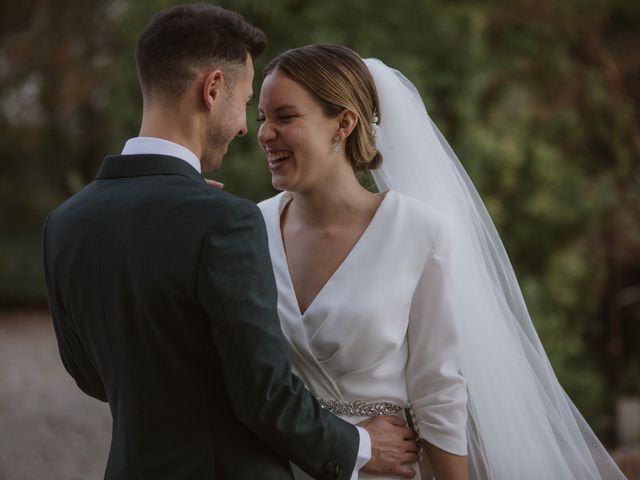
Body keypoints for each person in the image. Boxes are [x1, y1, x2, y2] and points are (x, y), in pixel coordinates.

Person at [42, 7, 419, 480]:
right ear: (212, 88)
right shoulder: (224, 221)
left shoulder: (66, 221)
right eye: (244, 103)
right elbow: (264, 394)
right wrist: (362, 446)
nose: (246, 128)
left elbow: (88, 373)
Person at [256, 44, 628, 479]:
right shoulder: (249, 228)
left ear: (343, 123)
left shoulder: (418, 232)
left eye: (285, 117)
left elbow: (438, 390)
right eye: (262, 118)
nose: (264, 134)